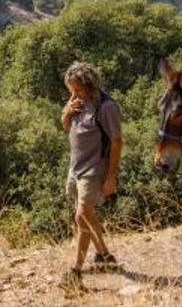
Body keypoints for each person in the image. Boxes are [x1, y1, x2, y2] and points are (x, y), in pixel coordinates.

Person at [59, 60, 123, 293]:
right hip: (75, 167)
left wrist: (111, 177)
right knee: (85, 215)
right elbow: (67, 126)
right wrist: (66, 113)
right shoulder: (78, 99)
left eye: (77, 89)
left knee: (82, 215)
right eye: (71, 89)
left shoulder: (106, 107)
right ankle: (104, 256)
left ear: (90, 85)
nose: (73, 94)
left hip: (95, 168)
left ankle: (75, 272)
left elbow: (117, 142)